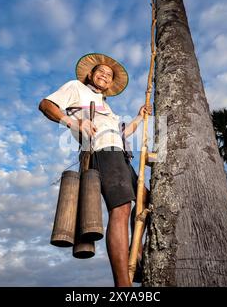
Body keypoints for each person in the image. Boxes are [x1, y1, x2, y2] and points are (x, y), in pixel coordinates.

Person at [38, 53, 151, 287]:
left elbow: (123, 133)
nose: (104, 75)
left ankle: (136, 253)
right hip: (102, 151)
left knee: (144, 200)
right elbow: (46, 105)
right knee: (120, 209)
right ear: (91, 74)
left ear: (110, 84)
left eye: (109, 75)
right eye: (100, 71)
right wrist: (73, 123)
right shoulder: (76, 88)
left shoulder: (107, 106)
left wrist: (140, 118)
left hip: (121, 154)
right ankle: (123, 285)